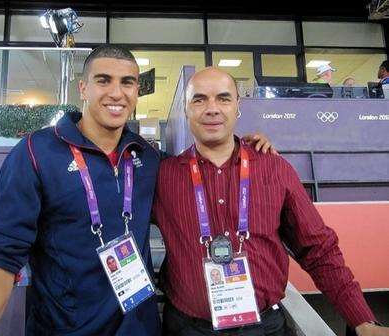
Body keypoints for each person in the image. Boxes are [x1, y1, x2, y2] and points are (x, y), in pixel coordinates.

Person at [0, 45, 273, 336]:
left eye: (127, 82)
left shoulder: (148, 158)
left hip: (140, 327)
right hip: (65, 328)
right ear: (83, 88)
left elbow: (200, 173)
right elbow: (0, 255)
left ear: (137, 91)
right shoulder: (35, 153)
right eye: (103, 80)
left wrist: (239, 149)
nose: (116, 93)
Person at [154, 67, 389, 336]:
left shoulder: (274, 169)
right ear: (185, 109)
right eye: (199, 99)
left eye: (223, 98)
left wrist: (362, 321)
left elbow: (318, 249)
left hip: (264, 327)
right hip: (188, 329)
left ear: (237, 106)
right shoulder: (163, 176)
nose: (212, 108)